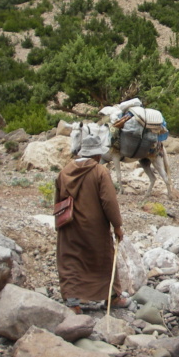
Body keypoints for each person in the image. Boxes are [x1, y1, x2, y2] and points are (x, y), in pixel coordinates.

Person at [55, 133, 127, 314]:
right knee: (103, 258)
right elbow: (109, 201)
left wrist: (59, 224)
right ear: (96, 155)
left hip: (69, 226)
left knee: (71, 259)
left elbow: (58, 200)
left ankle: (72, 303)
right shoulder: (99, 171)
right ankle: (112, 297)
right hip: (94, 228)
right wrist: (117, 225)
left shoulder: (64, 172)